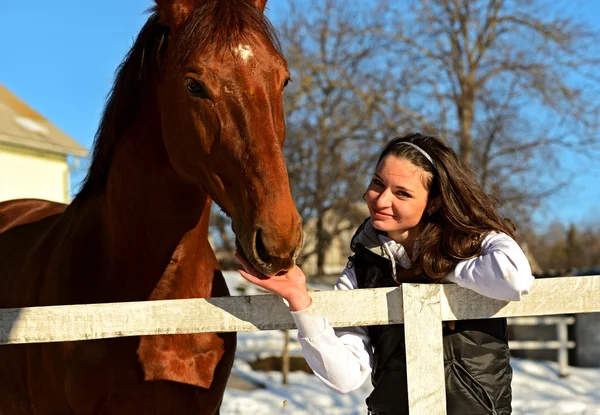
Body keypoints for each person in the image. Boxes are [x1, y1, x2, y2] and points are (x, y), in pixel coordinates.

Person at [236, 132, 534, 415]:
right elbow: (346, 377)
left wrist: (435, 270)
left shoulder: (475, 241)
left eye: (402, 193)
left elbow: (515, 279)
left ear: (433, 202)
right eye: (378, 183)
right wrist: (300, 302)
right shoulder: (360, 271)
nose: (380, 201)